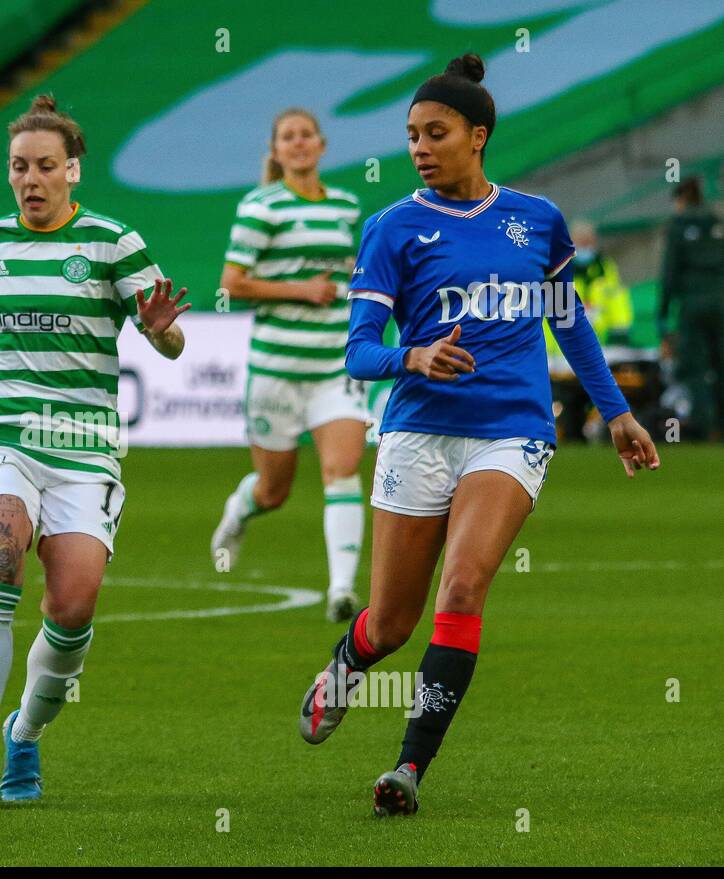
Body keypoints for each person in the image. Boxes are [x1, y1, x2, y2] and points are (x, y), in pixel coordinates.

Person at [297, 54, 659, 816]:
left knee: (462, 588)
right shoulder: (392, 228)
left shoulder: (536, 220)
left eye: (436, 133)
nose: (420, 148)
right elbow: (359, 352)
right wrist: (413, 356)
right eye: (411, 137)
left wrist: (616, 411)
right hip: (418, 433)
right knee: (392, 622)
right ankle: (350, 660)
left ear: (478, 136)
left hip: (513, 431)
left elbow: (569, 321)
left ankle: (408, 769)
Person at [0, 95, 189, 804]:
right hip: (0, 434)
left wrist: (162, 330)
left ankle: (25, 733)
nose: (31, 179)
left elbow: (167, 342)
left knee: (73, 605)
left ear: (72, 171)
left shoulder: (114, 243)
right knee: (1, 557)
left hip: (84, 446)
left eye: (46, 166)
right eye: (20, 167)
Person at [210, 108, 368, 622]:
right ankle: (240, 510)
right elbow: (231, 283)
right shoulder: (261, 207)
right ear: (275, 151)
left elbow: (353, 276)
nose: (298, 144)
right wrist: (299, 290)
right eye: (288, 138)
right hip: (276, 369)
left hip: (333, 366)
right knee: (273, 490)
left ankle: (341, 590)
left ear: (322, 146)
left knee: (341, 472)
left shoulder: (346, 206)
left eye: (306, 136)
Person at [545, 220, 634, 441]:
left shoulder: (604, 268)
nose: (585, 248)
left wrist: (620, 332)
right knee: (567, 397)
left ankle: (596, 431)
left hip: (598, 346)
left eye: (588, 243)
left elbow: (617, 301)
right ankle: (574, 431)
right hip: (557, 352)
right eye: (581, 243)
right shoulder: (558, 267)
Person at [658, 176, 724, 440]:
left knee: (694, 367)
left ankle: (706, 426)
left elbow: (670, 273)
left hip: (694, 305)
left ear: (681, 199)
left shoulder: (678, 226)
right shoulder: (718, 223)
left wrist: (662, 313)